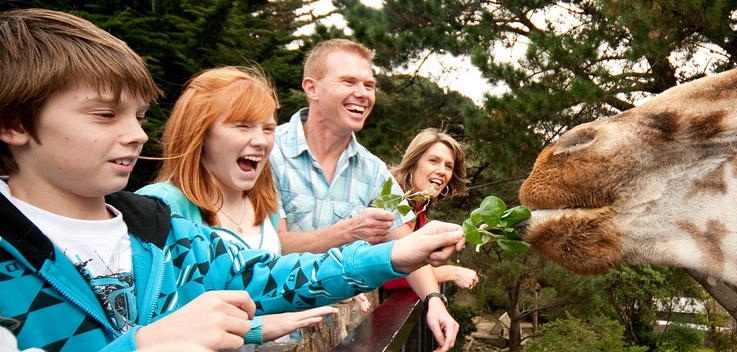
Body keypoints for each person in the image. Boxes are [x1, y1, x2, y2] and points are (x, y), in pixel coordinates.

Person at [0, 9, 464, 352]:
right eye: (105, 115)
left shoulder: (162, 233)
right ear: (16, 123)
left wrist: (395, 254)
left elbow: (265, 273)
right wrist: (142, 346)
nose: (137, 134)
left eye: (140, 116)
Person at [269, 38, 460, 351]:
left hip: (347, 335)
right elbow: (269, 248)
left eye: (369, 85)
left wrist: (434, 300)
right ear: (311, 88)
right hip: (275, 337)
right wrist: (346, 232)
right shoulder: (268, 152)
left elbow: (406, 243)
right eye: (348, 81)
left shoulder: (374, 172)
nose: (363, 93)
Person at [134, 66, 338, 349]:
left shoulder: (265, 205)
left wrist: (331, 286)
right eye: (243, 126)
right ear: (200, 132)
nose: (261, 140)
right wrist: (252, 329)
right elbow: (153, 322)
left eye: (267, 128)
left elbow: (272, 281)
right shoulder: (159, 207)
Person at [388, 128, 478, 290]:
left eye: (448, 166)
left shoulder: (420, 207)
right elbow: (391, 274)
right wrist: (449, 272)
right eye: (434, 161)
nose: (442, 171)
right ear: (413, 163)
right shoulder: (391, 199)